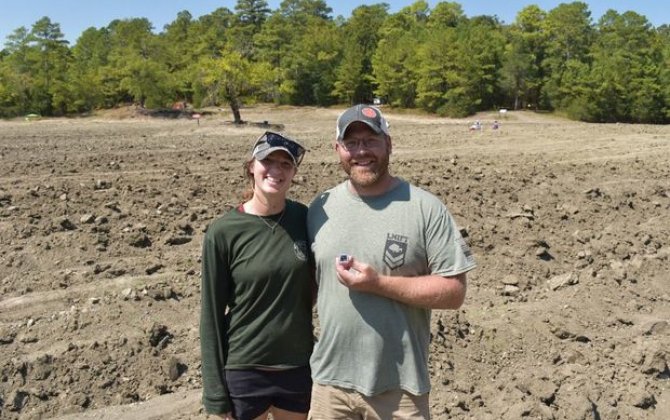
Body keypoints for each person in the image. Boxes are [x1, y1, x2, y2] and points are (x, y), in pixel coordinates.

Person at [307, 104, 476, 419]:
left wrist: (379, 284)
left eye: (370, 140)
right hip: (330, 387)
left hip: (399, 393)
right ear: (337, 149)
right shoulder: (321, 207)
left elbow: (454, 291)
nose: (361, 152)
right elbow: (310, 287)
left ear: (388, 143)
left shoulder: (425, 208)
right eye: (351, 143)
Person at [200, 131, 314, 420]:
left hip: (297, 368)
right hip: (244, 371)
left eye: (286, 164)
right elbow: (211, 315)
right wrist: (215, 392)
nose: (276, 170)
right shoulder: (224, 231)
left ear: (294, 172)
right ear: (251, 166)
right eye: (268, 161)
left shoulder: (305, 219)